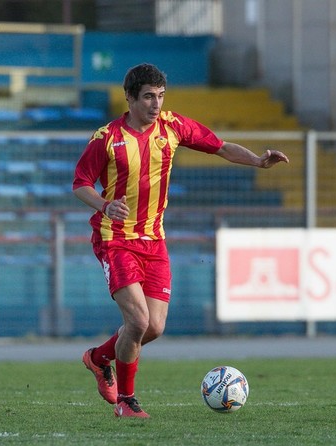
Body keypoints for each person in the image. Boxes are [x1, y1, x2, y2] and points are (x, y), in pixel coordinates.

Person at [73, 63, 289, 418]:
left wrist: (257, 161)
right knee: (139, 322)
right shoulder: (107, 139)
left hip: (154, 242)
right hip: (115, 238)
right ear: (129, 98)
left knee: (153, 328)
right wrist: (105, 204)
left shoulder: (172, 127)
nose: (155, 104)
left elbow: (220, 147)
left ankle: (98, 358)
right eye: (147, 97)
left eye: (160, 96)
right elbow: (80, 183)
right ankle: (127, 402)